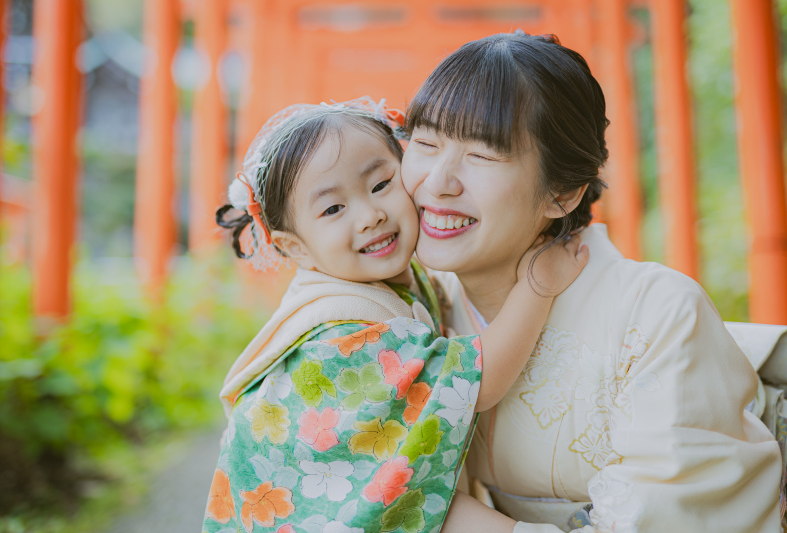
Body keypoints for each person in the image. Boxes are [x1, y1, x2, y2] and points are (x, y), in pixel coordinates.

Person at [400, 31, 783, 532]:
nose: (438, 181)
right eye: (425, 143)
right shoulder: (419, 311)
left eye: (483, 156)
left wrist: (441, 517)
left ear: (562, 193)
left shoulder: (657, 311)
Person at [202, 97, 587, 533]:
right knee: (427, 504)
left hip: (362, 499)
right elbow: (476, 383)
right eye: (333, 209)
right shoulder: (342, 336)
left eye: (381, 184)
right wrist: (538, 286)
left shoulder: (382, 280)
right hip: (319, 515)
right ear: (296, 248)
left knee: (425, 499)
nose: (371, 215)